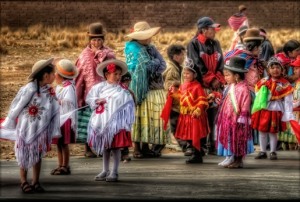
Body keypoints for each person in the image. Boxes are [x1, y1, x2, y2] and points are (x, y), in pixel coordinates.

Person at [1, 58, 60, 193]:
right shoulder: (30, 89)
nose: (54, 76)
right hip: (27, 127)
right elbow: (18, 105)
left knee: (37, 155)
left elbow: (53, 107)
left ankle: (35, 181)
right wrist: (10, 120)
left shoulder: (48, 90)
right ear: (46, 75)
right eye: (53, 73)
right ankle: (23, 181)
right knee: (25, 154)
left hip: (39, 130)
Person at [124, 21, 168, 158]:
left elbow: (163, 64)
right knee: (139, 117)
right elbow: (144, 67)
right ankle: (137, 147)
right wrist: (154, 63)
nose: (150, 38)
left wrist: (153, 64)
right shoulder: (133, 48)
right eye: (147, 35)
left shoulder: (150, 48)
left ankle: (145, 146)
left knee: (148, 118)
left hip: (152, 88)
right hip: (139, 89)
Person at [86, 59, 135, 182]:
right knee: (106, 147)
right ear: (107, 75)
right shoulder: (99, 87)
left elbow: (128, 104)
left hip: (116, 124)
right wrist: (97, 100)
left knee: (115, 148)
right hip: (102, 121)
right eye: (115, 74)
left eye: (119, 74)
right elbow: (90, 98)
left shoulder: (122, 90)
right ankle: (105, 170)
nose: (118, 77)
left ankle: (114, 171)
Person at [75, 22, 115, 158]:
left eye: (99, 39)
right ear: (89, 40)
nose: (96, 42)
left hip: (105, 92)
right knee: (88, 121)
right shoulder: (84, 55)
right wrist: (78, 95)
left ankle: (103, 146)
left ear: (103, 40)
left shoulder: (109, 53)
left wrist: (100, 54)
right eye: (94, 40)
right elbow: (80, 76)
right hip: (88, 93)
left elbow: (113, 67)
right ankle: (87, 148)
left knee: (103, 121)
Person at [187, 16, 225, 155]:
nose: (215, 31)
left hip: (215, 86)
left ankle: (212, 144)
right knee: (200, 115)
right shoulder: (193, 44)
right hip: (200, 85)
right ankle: (199, 145)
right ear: (203, 30)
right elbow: (197, 64)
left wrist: (218, 80)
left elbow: (221, 62)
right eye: (212, 28)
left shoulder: (216, 44)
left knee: (213, 116)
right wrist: (210, 79)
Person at [167, 58, 210, 163]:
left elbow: (202, 101)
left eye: (188, 73)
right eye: (184, 73)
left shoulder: (197, 87)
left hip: (195, 117)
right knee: (189, 137)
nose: (185, 75)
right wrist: (173, 93)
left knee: (195, 136)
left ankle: (197, 154)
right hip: (186, 116)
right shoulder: (183, 85)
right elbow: (181, 97)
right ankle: (195, 153)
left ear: (194, 75)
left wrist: (198, 110)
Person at [252, 57, 294, 160]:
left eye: (277, 67)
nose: (275, 70)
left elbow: (288, 99)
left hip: (276, 110)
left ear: (282, 69)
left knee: (273, 132)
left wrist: (287, 112)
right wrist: (265, 91)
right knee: (262, 131)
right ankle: (262, 151)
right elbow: (257, 94)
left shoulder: (285, 84)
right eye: (273, 67)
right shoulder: (263, 81)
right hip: (264, 109)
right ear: (268, 70)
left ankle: (273, 151)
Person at [216, 56, 254, 168]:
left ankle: (238, 160)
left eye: (228, 75)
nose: (225, 77)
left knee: (239, 140)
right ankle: (232, 158)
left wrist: (242, 118)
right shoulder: (232, 87)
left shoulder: (243, 89)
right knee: (231, 139)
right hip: (229, 119)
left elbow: (245, 105)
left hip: (238, 120)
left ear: (236, 76)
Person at [50, 59, 78, 175]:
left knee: (63, 143)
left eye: (56, 73)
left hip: (65, 119)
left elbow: (69, 101)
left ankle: (65, 165)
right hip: (59, 118)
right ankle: (60, 164)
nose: (54, 75)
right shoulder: (62, 87)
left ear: (61, 76)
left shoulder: (68, 88)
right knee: (59, 143)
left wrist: (57, 101)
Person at [162, 44, 190, 154]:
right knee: (175, 125)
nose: (184, 57)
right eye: (182, 54)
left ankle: (186, 145)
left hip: (178, 101)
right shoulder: (171, 69)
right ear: (175, 56)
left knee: (179, 125)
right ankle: (184, 146)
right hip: (173, 102)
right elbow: (169, 84)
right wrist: (180, 83)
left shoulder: (178, 67)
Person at [278, 56, 300, 150]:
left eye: (297, 68)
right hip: (293, 111)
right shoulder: (296, 82)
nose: (294, 71)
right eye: (294, 68)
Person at [120, 72, 136, 162]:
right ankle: (119, 153)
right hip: (118, 119)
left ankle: (125, 153)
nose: (126, 83)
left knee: (125, 136)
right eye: (124, 81)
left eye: (128, 81)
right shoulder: (117, 91)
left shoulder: (130, 92)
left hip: (126, 119)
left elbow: (134, 104)